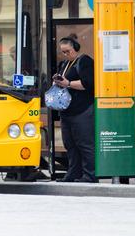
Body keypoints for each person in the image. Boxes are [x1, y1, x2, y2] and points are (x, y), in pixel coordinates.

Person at [53, 34, 96, 183]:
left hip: (82, 110)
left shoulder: (84, 61)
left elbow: (88, 84)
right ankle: (73, 173)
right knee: (70, 144)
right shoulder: (64, 64)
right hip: (67, 111)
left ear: (75, 49)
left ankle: (90, 175)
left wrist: (68, 83)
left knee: (85, 143)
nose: (65, 54)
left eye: (68, 51)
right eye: (63, 52)